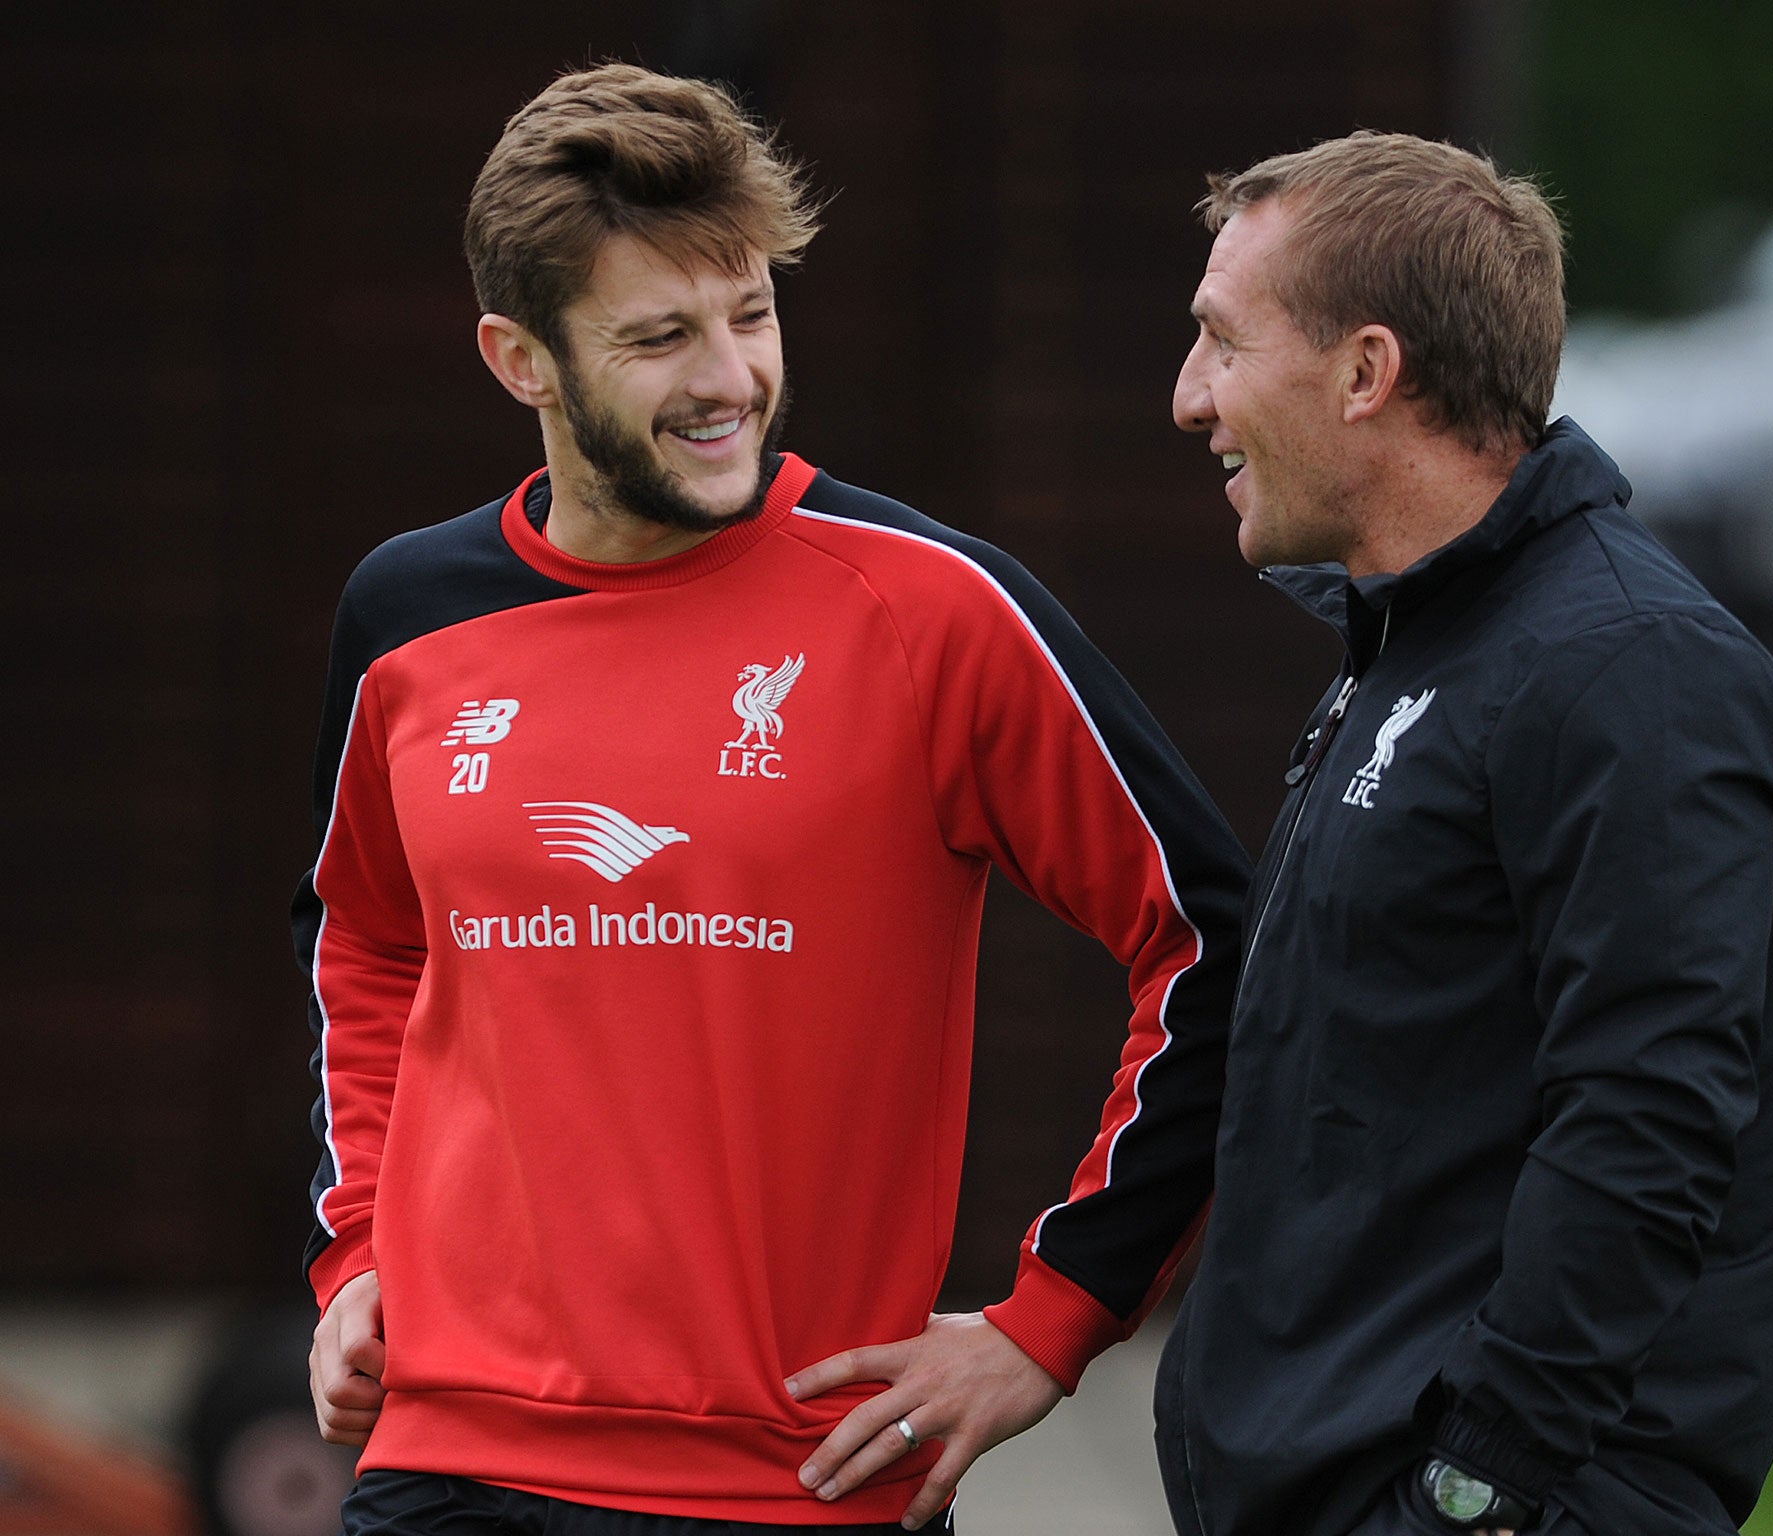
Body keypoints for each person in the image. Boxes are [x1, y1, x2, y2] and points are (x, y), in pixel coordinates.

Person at [296, 64, 1248, 1536]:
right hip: (445, 1469)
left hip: (800, 1491)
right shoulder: (406, 622)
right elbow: (363, 942)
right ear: (518, 358)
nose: (729, 377)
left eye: (752, 314)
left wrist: (1050, 1323)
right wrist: (357, 1253)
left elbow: (1215, 945)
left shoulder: (937, 612)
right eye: (660, 337)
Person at [1157, 132, 1773, 1536]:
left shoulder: (1631, 671)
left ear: (1365, 373)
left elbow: (1653, 1123)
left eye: (1222, 340)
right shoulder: (1421, 640)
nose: (1189, 398)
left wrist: (1477, 1490)